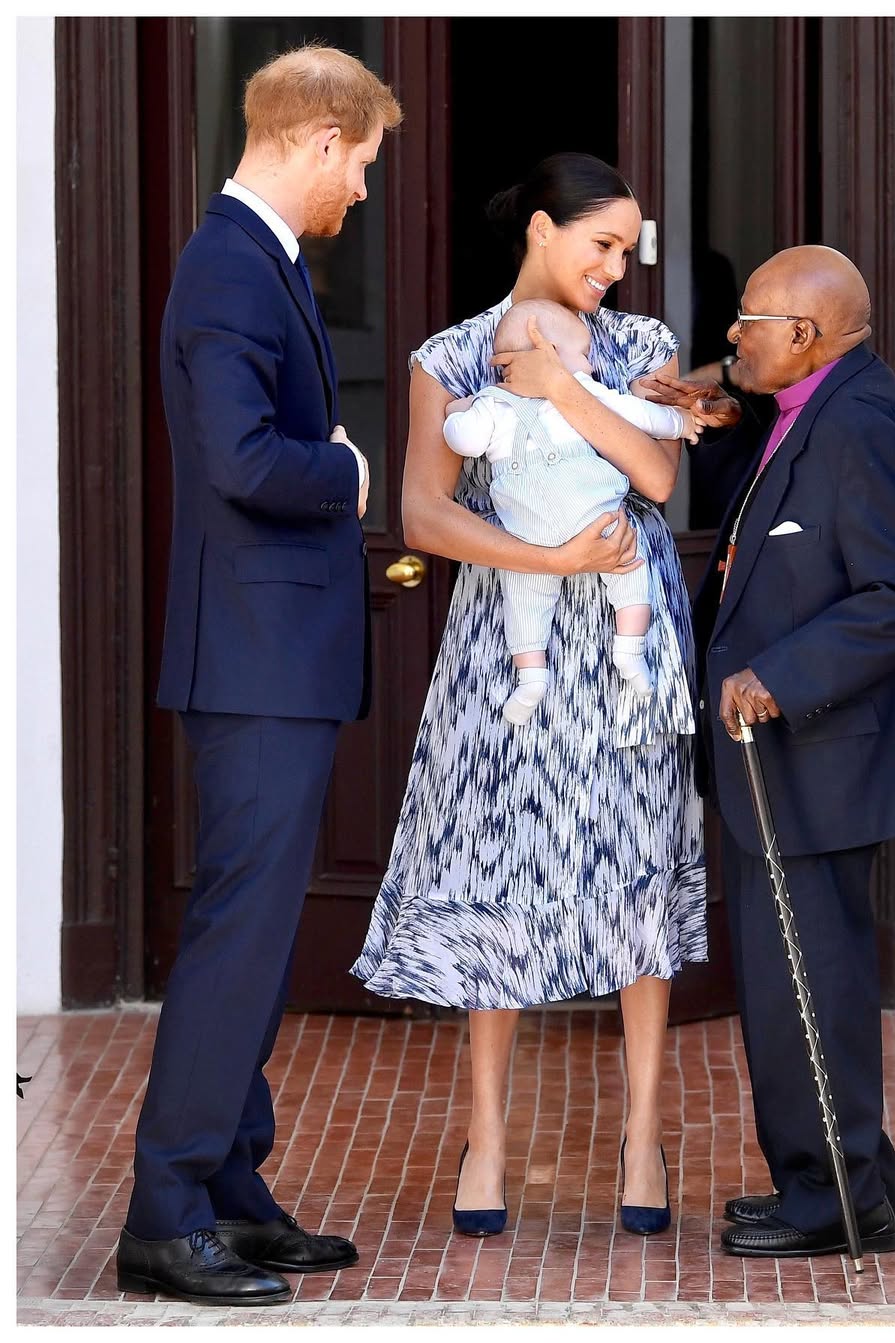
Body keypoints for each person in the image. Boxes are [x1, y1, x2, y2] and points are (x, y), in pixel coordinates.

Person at [351, 152, 740, 1239]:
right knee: (497, 866)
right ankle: (485, 1135)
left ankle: (642, 1132)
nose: (617, 267)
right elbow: (424, 515)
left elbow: (661, 479)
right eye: (601, 243)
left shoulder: (641, 347)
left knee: (632, 860)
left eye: (628, 249)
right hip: (509, 635)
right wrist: (553, 562)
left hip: (624, 635)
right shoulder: (449, 356)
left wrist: (566, 389)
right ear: (538, 228)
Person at [117, 47, 402, 1306]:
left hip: (271, 656)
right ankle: (166, 1213)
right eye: (363, 167)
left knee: (261, 935)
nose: (362, 195)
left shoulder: (263, 261)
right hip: (254, 661)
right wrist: (345, 473)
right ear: (320, 139)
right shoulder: (232, 261)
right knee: (238, 939)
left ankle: (230, 1187)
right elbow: (240, 460)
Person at [645, 245, 895, 1259]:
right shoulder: (810, 405)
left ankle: (836, 1201)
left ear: (806, 337)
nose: (730, 335)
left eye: (748, 321)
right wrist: (727, 413)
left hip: (823, 753)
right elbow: (795, 515)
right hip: (779, 765)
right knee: (789, 982)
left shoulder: (863, 420)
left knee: (813, 984)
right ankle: (829, 1183)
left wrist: (780, 674)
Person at [442, 297, 705, 722]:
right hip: (579, 521)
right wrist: (680, 424)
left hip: (536, 530)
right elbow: (641, 415)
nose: (594, 363)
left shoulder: (493, 404)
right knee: (627, 573)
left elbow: (464, 439)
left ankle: (534, 678)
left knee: (526, 602)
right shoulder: (510, 399)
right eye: (584, 354)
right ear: (548, 350)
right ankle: (627, 650)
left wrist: (457, 413)